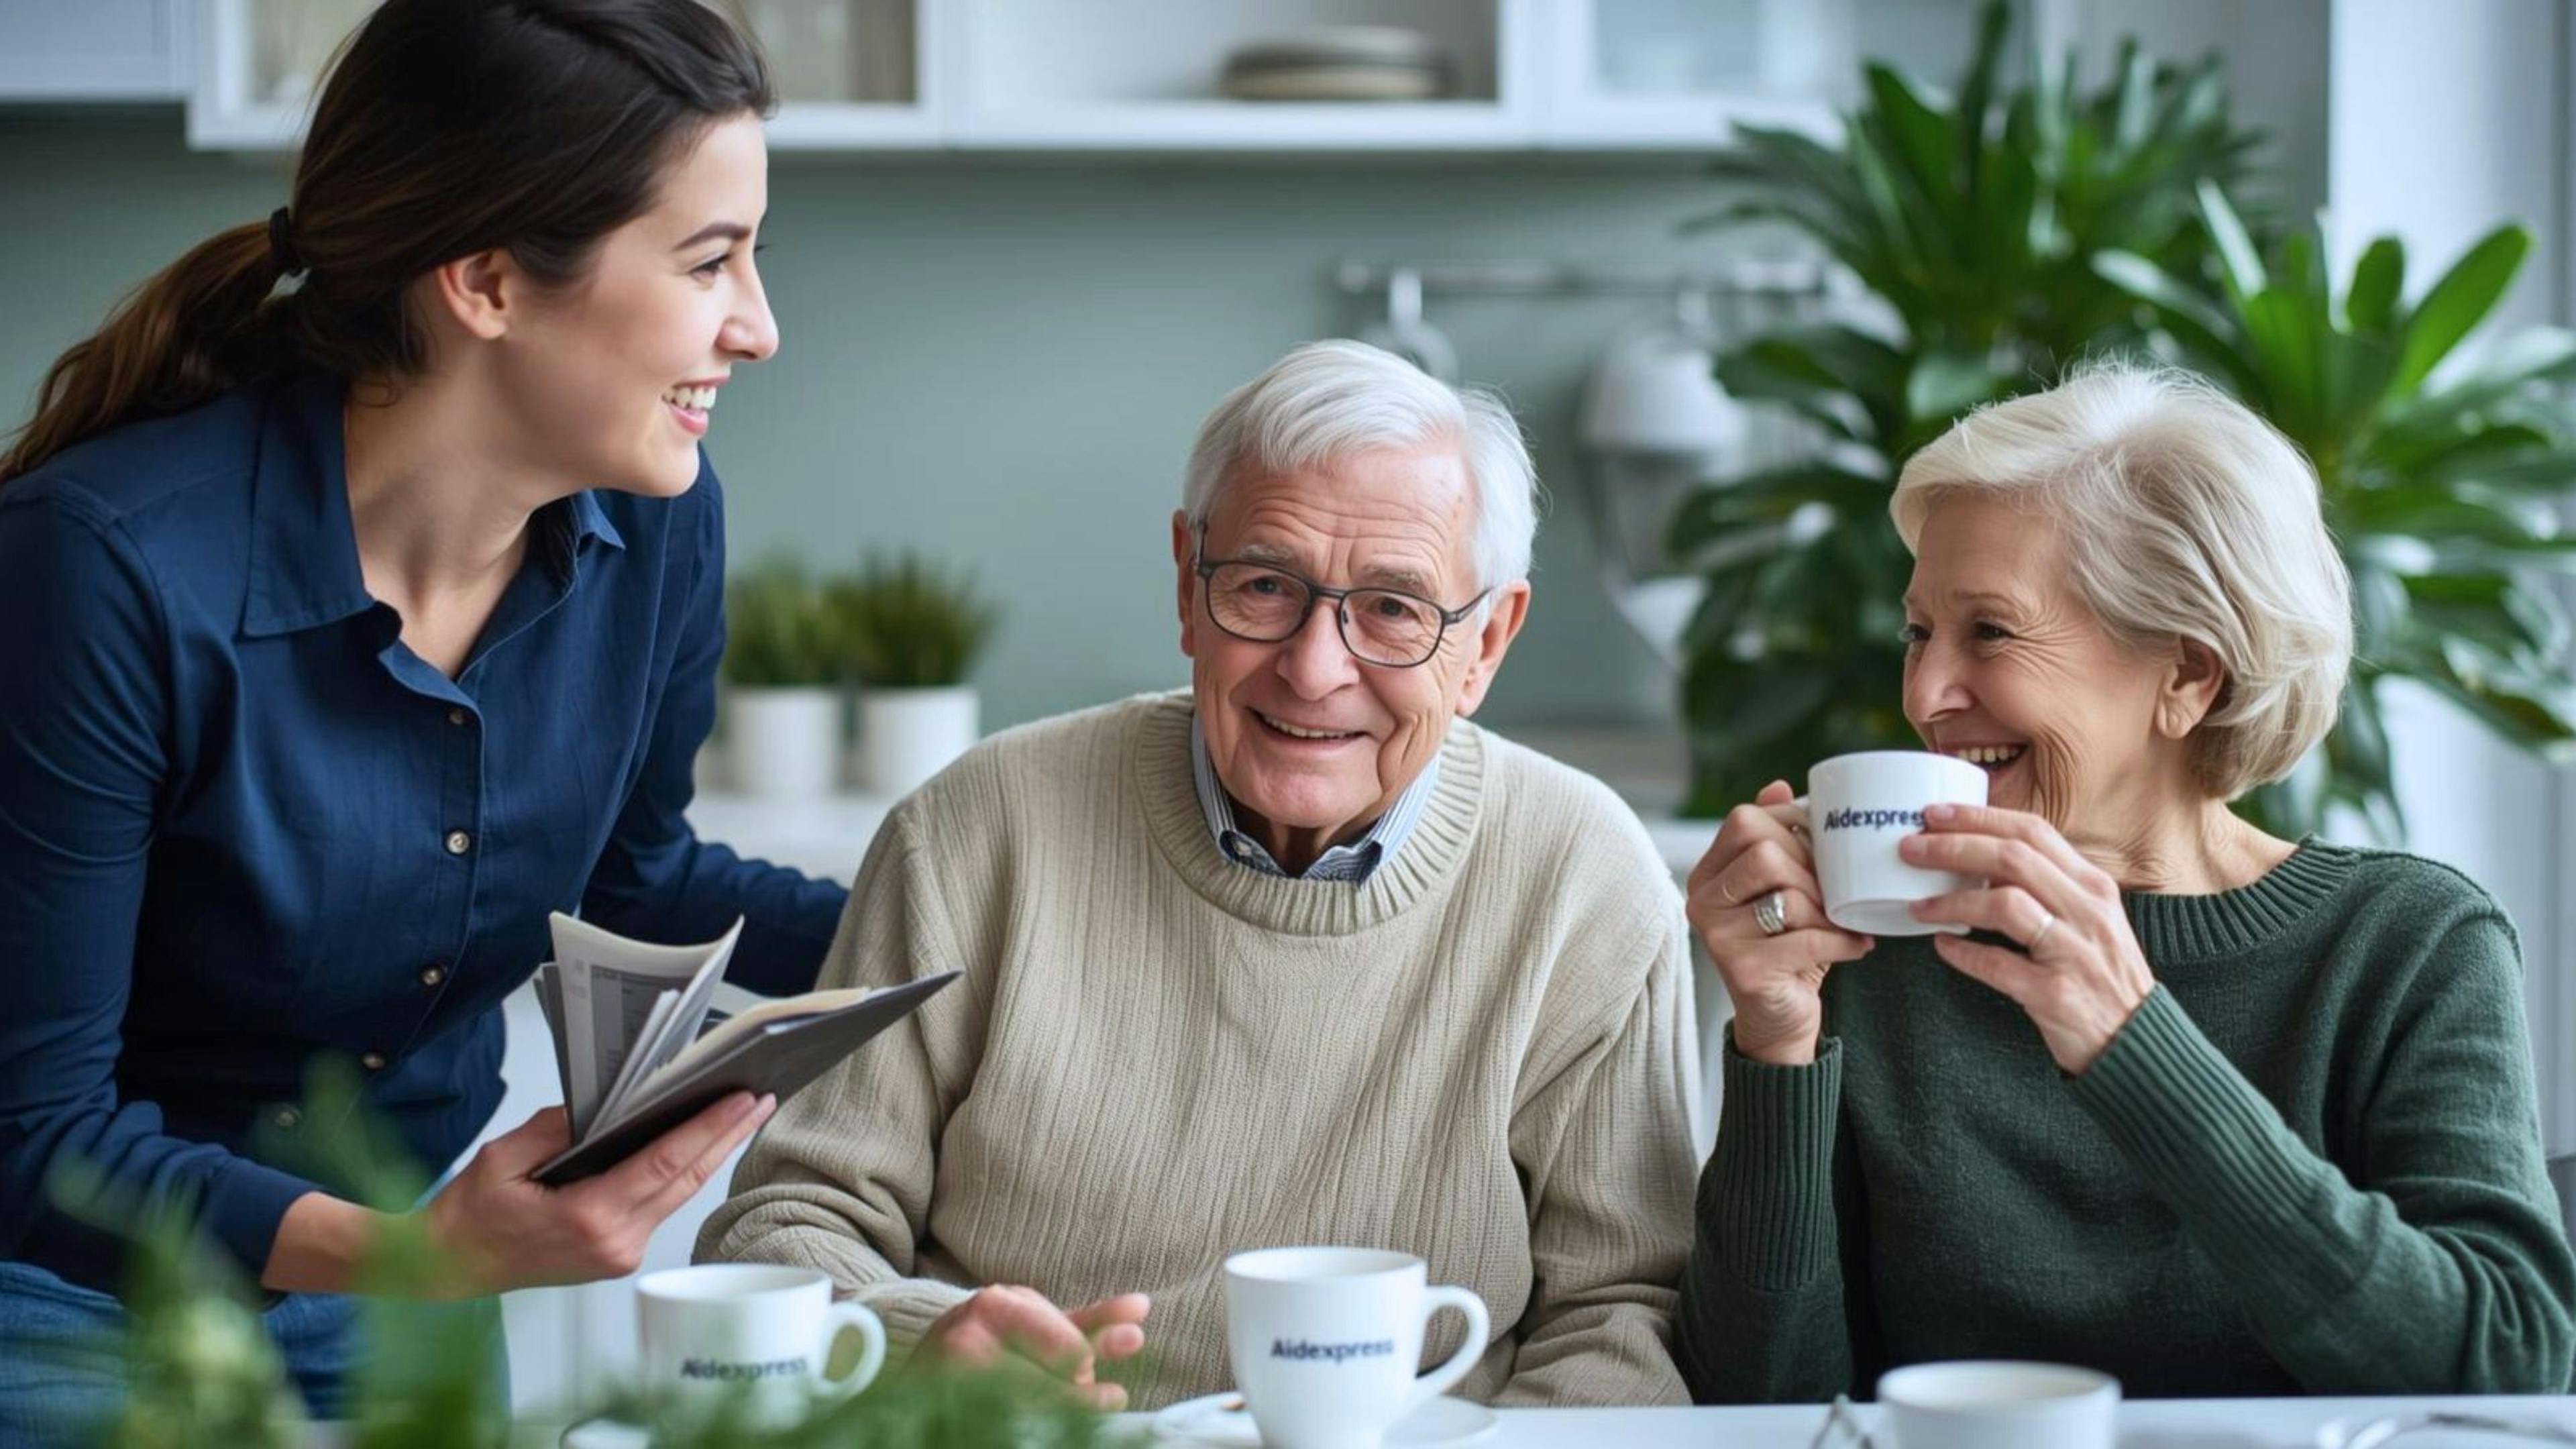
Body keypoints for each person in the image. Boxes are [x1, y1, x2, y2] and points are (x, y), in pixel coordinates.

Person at [0, 1, 846, 1432]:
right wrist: (422, 1254)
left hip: (406, 1290)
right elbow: (32, 1133)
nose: (758, 328)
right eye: (711, 260)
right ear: (487, 282)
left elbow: (635, 885)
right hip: (71, 1308)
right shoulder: (103, 569)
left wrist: (982, 914)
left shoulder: (661, 531)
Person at [698, 339, 1701, 1410]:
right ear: (1187, 581)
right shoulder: (972, 832)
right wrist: (918, 1349)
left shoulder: (1585, 882)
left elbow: (1623, 1316)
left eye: (1393, 610)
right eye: (1266, 586)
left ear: (1488, 642)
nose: (1316, 669)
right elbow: (783, 1227)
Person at [1673, 362, 2576, 1399]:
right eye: (1919, 633)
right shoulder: (1876, 948)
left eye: (1992, 632)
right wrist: (1777, 1046)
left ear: (2188, 676)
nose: (1926, 693)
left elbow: (2507, 1359)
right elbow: (1759, 1411)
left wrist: (2129, 1038)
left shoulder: (2410, 944)